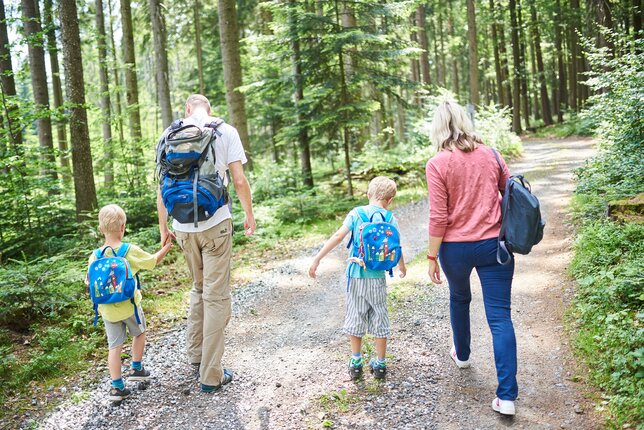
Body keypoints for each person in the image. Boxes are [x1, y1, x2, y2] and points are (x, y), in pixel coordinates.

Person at [156, 94, 256, 393]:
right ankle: (211, 374)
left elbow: (162, 187)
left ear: (187, 109)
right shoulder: (225, 131)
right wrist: (249, 214)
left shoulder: (169, 134)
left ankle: (195, 354)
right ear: (209, 109)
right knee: (216, 296)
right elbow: (238, 181)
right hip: (216, 224)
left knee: (199, 289)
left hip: (183, 228)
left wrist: (164, 227)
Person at [425, 100, 517, 415]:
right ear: (465, 122)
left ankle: (462, 354)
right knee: (500, 317)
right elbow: (510, 192)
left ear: (437, 129)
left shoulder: (437, 163)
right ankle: (507, 398)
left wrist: (431, 255)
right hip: (495, 246)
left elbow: (438, 216)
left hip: (456, 248)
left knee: (459, 298)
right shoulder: (491, 154)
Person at [308, 176, 407, 380]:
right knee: (380, 315)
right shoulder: (390, 218)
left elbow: (338, 236)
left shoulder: (357, 213)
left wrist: (318, 258)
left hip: (356, 275)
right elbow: (396, 244)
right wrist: (401, 265)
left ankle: (356, 361)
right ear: (389, 200)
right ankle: (380, 364)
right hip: (377, 276)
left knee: (356, 314)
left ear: (368, 194)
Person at [89, 204, 172, 401]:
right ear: (123, 226)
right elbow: (153, 262)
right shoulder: (128, 251)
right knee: (139, 333)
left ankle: (117, 387)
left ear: (101, 229)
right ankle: (136, 368)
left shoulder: (95, 255)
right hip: (130, 307)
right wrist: (167, 246)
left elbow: (88, 281)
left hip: (107, 311)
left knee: (114, 347)